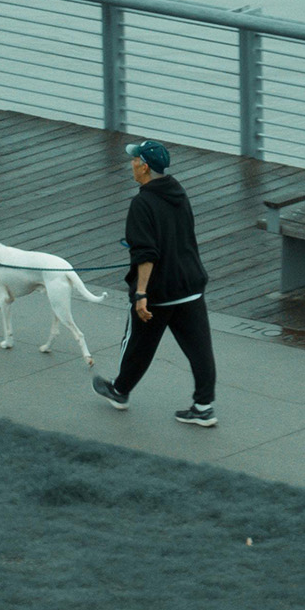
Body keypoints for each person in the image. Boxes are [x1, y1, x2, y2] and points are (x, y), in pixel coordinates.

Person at [92, 138, 218, 427]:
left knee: (138, 344)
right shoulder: (179, 193)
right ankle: (204, 407)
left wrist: (141, 293)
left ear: (145, 167)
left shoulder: (142, 203)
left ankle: (119, 391)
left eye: (135, 159)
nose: (132, 163)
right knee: (200, 349)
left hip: (159, 292)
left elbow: (146, 254)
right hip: (190, 285)